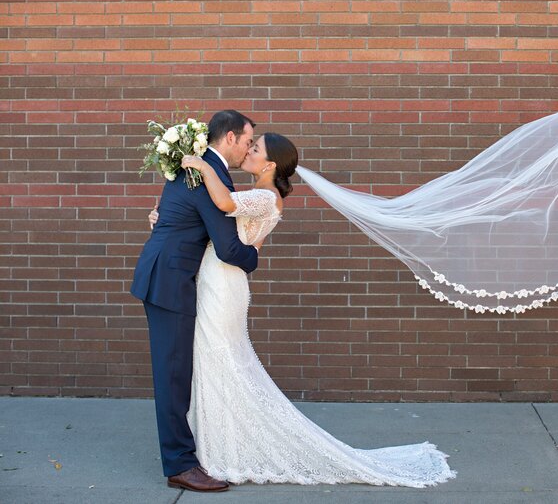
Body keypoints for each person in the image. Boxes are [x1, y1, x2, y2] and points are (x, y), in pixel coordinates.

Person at [149, 133, 456, 488]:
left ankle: (227, 449)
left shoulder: (265, 196)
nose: (248, 150)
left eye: (256, 148)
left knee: (221, 360)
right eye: (250, 144)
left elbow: (220, 204)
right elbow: (209, 220)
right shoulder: (257, 193)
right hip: (216, 281)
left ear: (270, 165)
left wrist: (201, 164)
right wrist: (167, 217)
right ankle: (214, 447)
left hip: (222, 285)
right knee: (215, 361)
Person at [131, 110, 258, 492]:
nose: (248, 149)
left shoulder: (198, 170)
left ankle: (185, 455)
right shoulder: (208, 175)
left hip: (164, 275)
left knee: (177, 372)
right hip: (168, 282)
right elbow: (228, 248)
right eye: (248, 141)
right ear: (230, 138)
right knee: (172, 376)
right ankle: (179, 465)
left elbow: (173, 215)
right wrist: (256, 256)